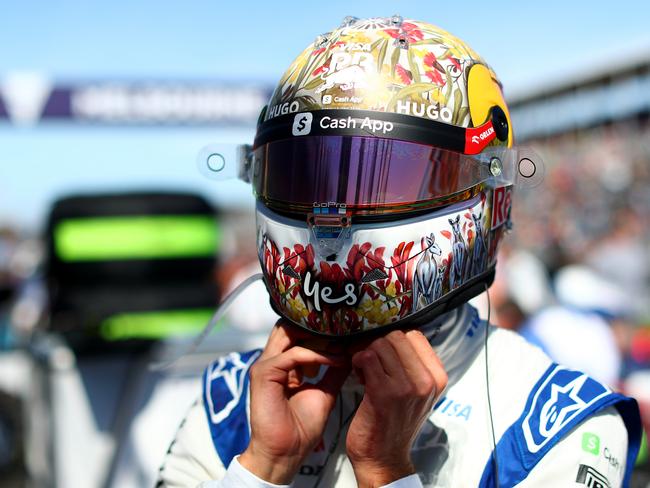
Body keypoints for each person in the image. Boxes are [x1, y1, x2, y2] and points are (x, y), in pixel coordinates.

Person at [157, 16, 641, 487]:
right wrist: (263, 466)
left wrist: (386, 471)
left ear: (489, 194)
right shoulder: (233, 397)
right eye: (303, 175)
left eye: (388, 180)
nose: (334, 214)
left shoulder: (558, 423)